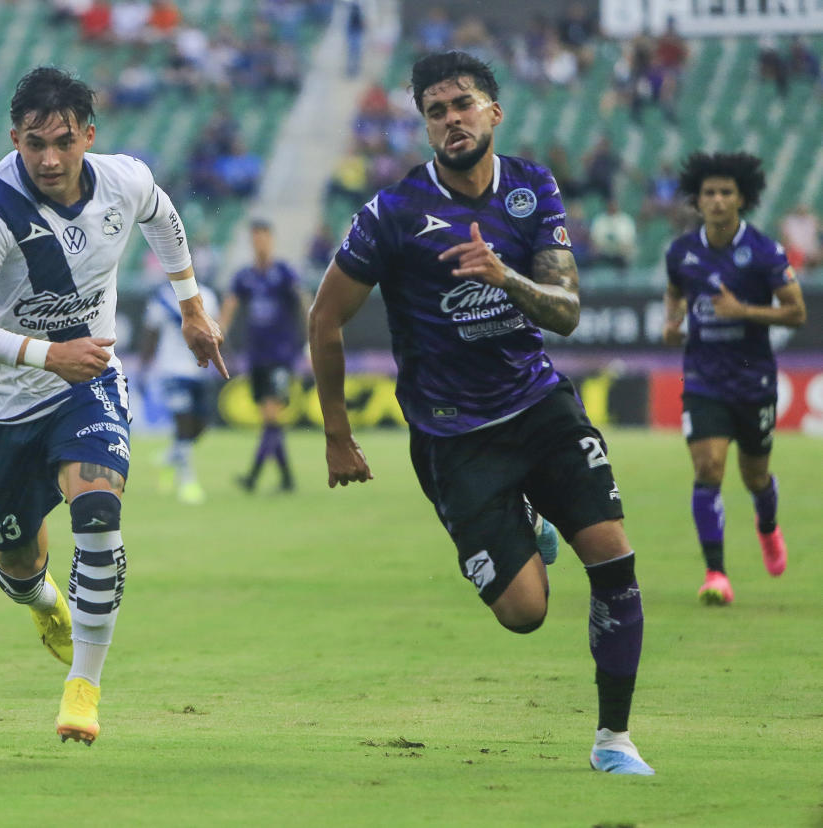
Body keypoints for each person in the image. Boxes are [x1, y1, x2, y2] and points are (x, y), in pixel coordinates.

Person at [308, 51, 653, 775]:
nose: (450, 120)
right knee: (526, 613)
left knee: (614, 560)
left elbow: (566, 312)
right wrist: (338, 436)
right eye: (435, 112)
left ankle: (614, 740)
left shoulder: (532, 188)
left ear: (493, 112)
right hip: (454, 438)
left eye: (462, 104)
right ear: (426, 128)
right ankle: (523, 523)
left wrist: (504, 274)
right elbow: (324, 319)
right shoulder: (393, 214)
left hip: (539, 404)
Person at [0, 67, 226, 745]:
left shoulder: (124, 180)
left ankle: (83, 689)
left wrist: (191, 306)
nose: (50, 158)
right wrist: (43, 353)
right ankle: (41, 602)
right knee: (18, 567)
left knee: (99, 515)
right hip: (0, 406)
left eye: (63, 141)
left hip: (86, 384)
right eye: (34, 143)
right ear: (16, 138)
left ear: (88, 136)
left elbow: (164, 217)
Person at [662, 151, 807, 605]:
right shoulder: (681, 251)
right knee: (708, 467)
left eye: (727, 192)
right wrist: (673, 321)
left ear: (742, 198)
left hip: (752, 380)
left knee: (755, 476)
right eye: (709, 193)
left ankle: (767, 527)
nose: (718, 200)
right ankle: (716, 574)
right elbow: (674, 291)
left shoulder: (764, 251)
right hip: (703, 377)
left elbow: (797, 312)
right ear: (697, 200)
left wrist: (743, 311)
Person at [218, 219, 308, 493]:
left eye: (263, 237)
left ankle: (253, 477)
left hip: (281, 356)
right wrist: (217, 334)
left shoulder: (284, 273)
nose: (259, 242)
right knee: (271, 420)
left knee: (271, 415)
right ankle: (287, 479)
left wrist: (312, 339)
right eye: (255, 238)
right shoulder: (245, 277)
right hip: (256, 356)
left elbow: (305, 303)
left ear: (272, 239)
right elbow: (229, 309)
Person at [139, 275, 221, 504]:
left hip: (199, 370)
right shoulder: (163, 297)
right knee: (183, 423)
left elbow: (216, 331)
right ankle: (188, 482)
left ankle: (169, 456)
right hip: (172, 370)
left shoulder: (208, 296)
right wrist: (145, 368)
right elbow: (150, 333)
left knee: (201, 425)